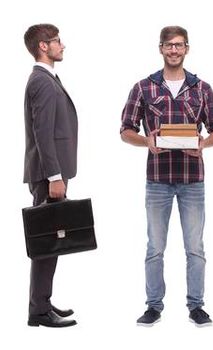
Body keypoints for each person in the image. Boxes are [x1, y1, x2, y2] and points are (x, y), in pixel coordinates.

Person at [118, 25, 213, 328]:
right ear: (161, 48)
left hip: (193, 179)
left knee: (195, 248)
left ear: (187, 48)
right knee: (155, 247)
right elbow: (126, 130)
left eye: (179, 45)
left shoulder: (202, 88)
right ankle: (153, 306)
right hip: (158, 180)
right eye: (169, 45)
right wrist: (147, 142)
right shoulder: (144, 87)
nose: (174, 50)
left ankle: (196, 306)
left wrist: (205, 143)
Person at [21, 23, 78, 328]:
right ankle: (39, 312)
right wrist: (55, 176)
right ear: (43, 46)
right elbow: (43, 134)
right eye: (57, 41)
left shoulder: (45, 79)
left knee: (51, 242)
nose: (62, 45)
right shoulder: (42, 81)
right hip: (47, 174)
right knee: (46, 243)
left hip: (50, 173)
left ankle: (42, 303)